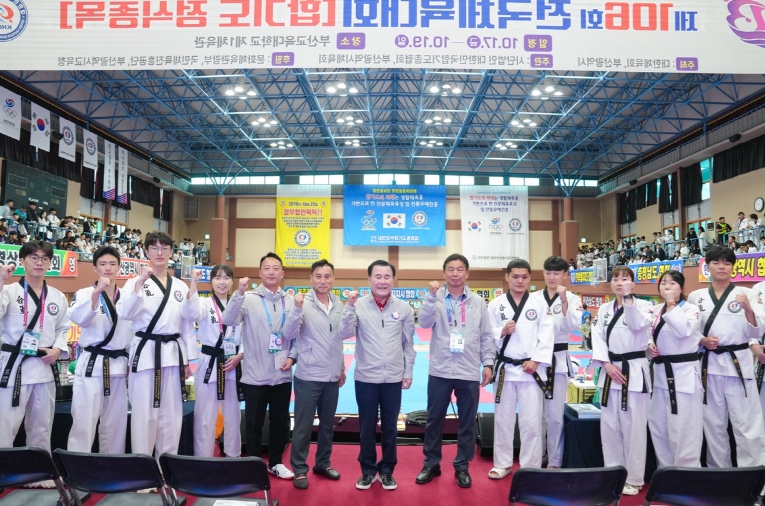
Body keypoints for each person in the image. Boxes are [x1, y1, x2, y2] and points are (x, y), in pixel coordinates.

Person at [415, 254, 493, 489]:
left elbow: (486, 335)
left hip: (468, 369)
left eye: (460, 269)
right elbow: (424, 323)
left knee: (467, 422)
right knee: (434, 420)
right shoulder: (435, 298)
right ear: (444, 273)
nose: (455, 274)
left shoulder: (478, 302)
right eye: (451, 269)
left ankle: (462, 466)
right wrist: (430, 297)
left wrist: (488, 363)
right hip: (440, 369)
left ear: (467, 273)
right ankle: (431, 463)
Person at [120, 232, 197, 462]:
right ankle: (143, 469)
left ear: (172, 252)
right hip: (146, 353)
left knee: (171, 416)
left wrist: (187, 359)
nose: (160, 252)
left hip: (172, 355)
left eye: (164, 248)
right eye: (154, 248)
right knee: (144, 415)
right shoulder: (134, 282)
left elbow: (186, 325)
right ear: (146, 252)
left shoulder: (180, 286)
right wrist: (140, 283)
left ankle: (167, 468)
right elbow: (125, 314)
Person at [339, 260, 415, 491]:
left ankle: (387, 471)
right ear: (369, 279)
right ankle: (368, 471)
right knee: (366, 427)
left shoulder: (403, 307)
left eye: (387, 276)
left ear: (393, 279)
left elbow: (408, 344)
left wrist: (408, 371)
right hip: (366, 377)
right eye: (378, 276)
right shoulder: (358, 305)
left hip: (393, 377)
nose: (382, 281)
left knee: (391, 427)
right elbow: (344, 333)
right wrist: (349, 306)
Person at [688, 246, 765, 468]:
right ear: (707, 266)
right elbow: (689, 331)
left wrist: (748, 310)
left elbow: (757, 331)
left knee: (748, 424)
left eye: (727, 263)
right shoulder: (696, 296)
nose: (721, 267)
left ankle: (754, 477)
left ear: (733, 267)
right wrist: (702, 340)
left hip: (739, 366)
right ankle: (719, 477)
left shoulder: (747, 293)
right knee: (713, 426)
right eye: (716, 262)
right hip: (708, 367)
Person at [0, 241, 71, 482]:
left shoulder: (57, 296)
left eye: (44, 258)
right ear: (22, 261)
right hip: (14, 366)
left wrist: (57, 349)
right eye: (33, 257)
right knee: (6, 424)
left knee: (41, 425)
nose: (39, 262)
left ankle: (39, 474)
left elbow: (63, 328)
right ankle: (3, 473)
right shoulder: (9, 291)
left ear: (50, 263)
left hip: (43, 366)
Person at [221, 252, 296, 479]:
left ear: (282, 273)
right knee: (253, 423)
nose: (271, 272)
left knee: (279, 422)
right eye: (267, 268)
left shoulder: (291, 301)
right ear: (260, 273)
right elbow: (228, 320)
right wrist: (238, 293)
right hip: (255, 374)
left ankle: (276, 463)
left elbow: (297, 336)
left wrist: (292, 357)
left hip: (282, 373)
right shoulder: (248, 299)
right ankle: (254, 465)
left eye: (276, 268)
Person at [591, 265, 656, 496]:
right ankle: (612, 473)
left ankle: (634, 479)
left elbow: (637, 325)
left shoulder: (645, 306)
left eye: (625, 278)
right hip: (610, 371)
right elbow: (597, 337)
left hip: (634, 371)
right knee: (610, 427)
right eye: (616, 279)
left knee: (634, 428)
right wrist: (606, 364)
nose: (620, 282)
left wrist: (628, 299)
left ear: (633, 283)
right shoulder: (604, 309)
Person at [486, 259, 554, 479]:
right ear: (507, 277)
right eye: (515, 276)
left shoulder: (540, 303)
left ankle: (530, 466)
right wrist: (501, 331)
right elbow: (487, 334)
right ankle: (502, 464)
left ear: (530, 278)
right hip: (505, 369)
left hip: (531, 371)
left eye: (524, 277)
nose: (520, 281)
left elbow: (547, 335)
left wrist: (536, 360)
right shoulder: (495, 304)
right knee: (503, 419)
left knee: (531, 422)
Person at [283, 259, 345, 490]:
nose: (323, 281)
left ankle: (323, 463)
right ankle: (300, 468)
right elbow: (289, 333)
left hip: (331, 376)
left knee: (328, 425)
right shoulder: (302, 303)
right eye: (318, 276)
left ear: (333, 279)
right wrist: (297, 309)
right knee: (303, 426)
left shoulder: (338, 304)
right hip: (308, 375)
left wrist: (341, 367)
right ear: (311, 279)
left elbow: (338, 340)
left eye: (327, 276)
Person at [67, 246, 131, 453]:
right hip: (92, 366)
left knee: (115, 423)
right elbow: (79, 319)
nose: (108, 268)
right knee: (83, 420)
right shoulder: (84, 293)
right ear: (95, 268)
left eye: (112, 264)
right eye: (103, 264)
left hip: (118, 366)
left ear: (119, 267)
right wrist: (96, 294)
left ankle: (111, 465)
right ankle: (78, 466)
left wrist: (130, 362)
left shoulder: (127, 297)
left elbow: (132, 333)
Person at [182, 265, 243, 458]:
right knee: (205, 416)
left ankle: (233, 456)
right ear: (211, 282)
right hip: (209, 362)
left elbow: (248, 335)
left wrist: (240, 355)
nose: (222, 282)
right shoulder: (204, 303)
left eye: (226, 277)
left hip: (232, 362)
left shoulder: (240, 304)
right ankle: (203, 459)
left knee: (233, 415)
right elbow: (190, 313)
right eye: (217, 278)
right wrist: (193, 282)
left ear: (232, 281)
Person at [647, 270, 704, 468]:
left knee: (684, 428)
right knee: (659, 426)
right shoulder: (655, 310)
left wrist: (671, 304)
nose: (667, 287)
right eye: (663, 283)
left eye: (672, 283)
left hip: (684, 374)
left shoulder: (691, 309)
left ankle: (687, 475)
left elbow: (683, 331)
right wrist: (649, 346)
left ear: (682, 288)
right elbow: (647, 334)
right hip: (660, 374)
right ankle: (665, 472)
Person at [538, 256, 584, 469]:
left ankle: (555, 460)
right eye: (548, 272)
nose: (551, 277)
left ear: (565, 275)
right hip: (536, 361)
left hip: (557, 359)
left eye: (556, 273)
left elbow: (572, 326)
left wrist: (564, 300)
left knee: (555, 415)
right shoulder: (533, 298)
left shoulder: (573, 299)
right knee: (535, 414)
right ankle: (537, 455)